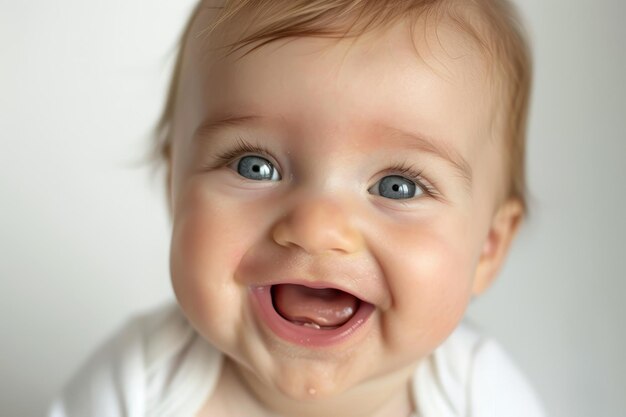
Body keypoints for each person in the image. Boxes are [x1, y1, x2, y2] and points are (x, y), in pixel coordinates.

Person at [48, 0, 546, 416]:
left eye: (398, 186)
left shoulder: (481, 396)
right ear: (174, 190)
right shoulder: (139, 381)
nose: (316, 227)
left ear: (488, 247)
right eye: (253, 166)